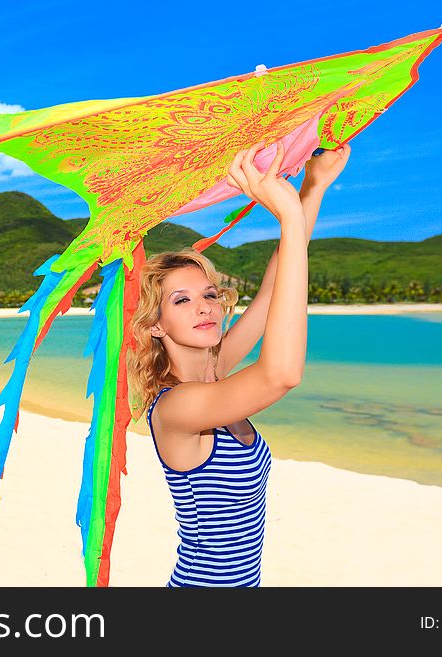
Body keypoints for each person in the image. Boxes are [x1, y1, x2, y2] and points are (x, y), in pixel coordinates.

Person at [127, 140, 351, 587]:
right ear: (155, 325)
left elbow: (271, 292)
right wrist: (286, 218)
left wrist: (314, 185)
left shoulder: (215, 370)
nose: (205, 307)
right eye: (182, 300)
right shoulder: (177, 409)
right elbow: (280, 374)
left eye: (209, 294)